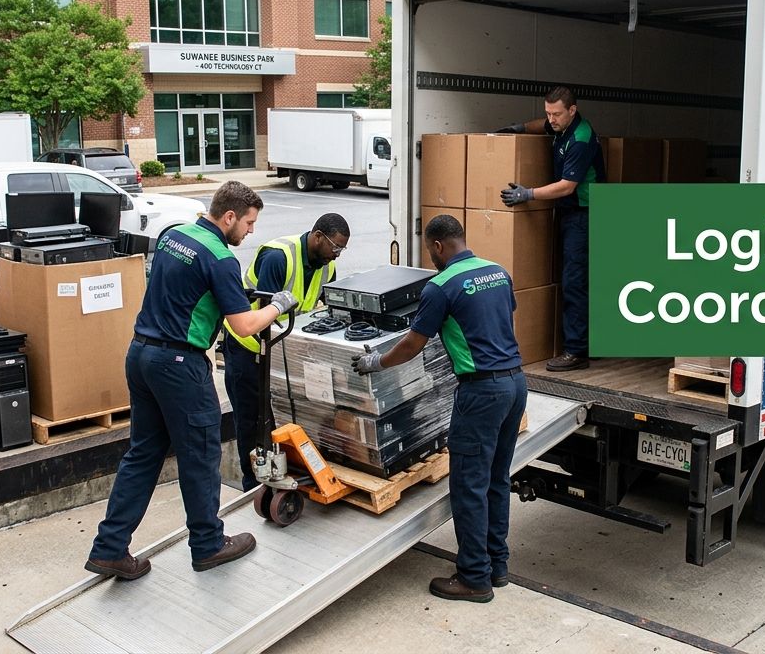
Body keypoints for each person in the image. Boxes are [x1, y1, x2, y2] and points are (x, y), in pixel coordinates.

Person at [86, 181, 297, 580]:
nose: (251, 232)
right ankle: (208, 545)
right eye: (249, 223)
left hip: (141, 354)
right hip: (179, 364)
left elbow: (189, 288)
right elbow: (244, 325)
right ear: (230, 216)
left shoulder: (174, 234)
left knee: (143, 454)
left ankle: (109, 548)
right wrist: (277, 305)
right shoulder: (220, 259)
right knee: (200, 456)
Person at [352, 215, 527, 603]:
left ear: (437, 246)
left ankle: (474, 579)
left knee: (468, 486)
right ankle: (497, 567)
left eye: (430, 250)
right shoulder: (498, 272)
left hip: (481, 393)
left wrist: (375, 362)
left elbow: (413, 344)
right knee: (497, 480)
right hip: (515, 384)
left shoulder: (441, 286)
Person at [222, 213, 350, 489]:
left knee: (282, 416)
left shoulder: (326, 267)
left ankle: (284, 471)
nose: (336, 255)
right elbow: (265, 316)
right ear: (318, 237)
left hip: (282, 350)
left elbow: (321, 311)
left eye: (342, 250)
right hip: (249, 348)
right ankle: (253, 483)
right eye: (335, 248)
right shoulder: (278, 257)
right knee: (252, 419)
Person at [496, 86, 605, 372]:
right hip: (571, 212)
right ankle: (590, 341)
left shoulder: (581, 138)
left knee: (574, 280)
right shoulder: (560, 125)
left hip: (586, 214)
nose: (551, 119)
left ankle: (577, 351)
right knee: (576, 278)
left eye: (556, 114)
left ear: (573, 109)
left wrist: (528, 194)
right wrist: (518, 128)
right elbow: (540, 125)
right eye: (548, 113)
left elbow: (567, 186)